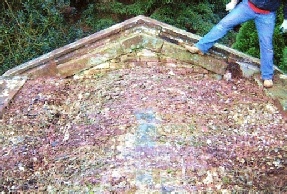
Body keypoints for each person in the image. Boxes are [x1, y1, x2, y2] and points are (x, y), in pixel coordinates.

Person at [184, 0, 287, 88]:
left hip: (267, 15)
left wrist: (286, 19)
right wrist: (233, 2)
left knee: (266, 44)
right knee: (224, 24)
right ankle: (200, 47)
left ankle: (267, 76)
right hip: (248, 6)